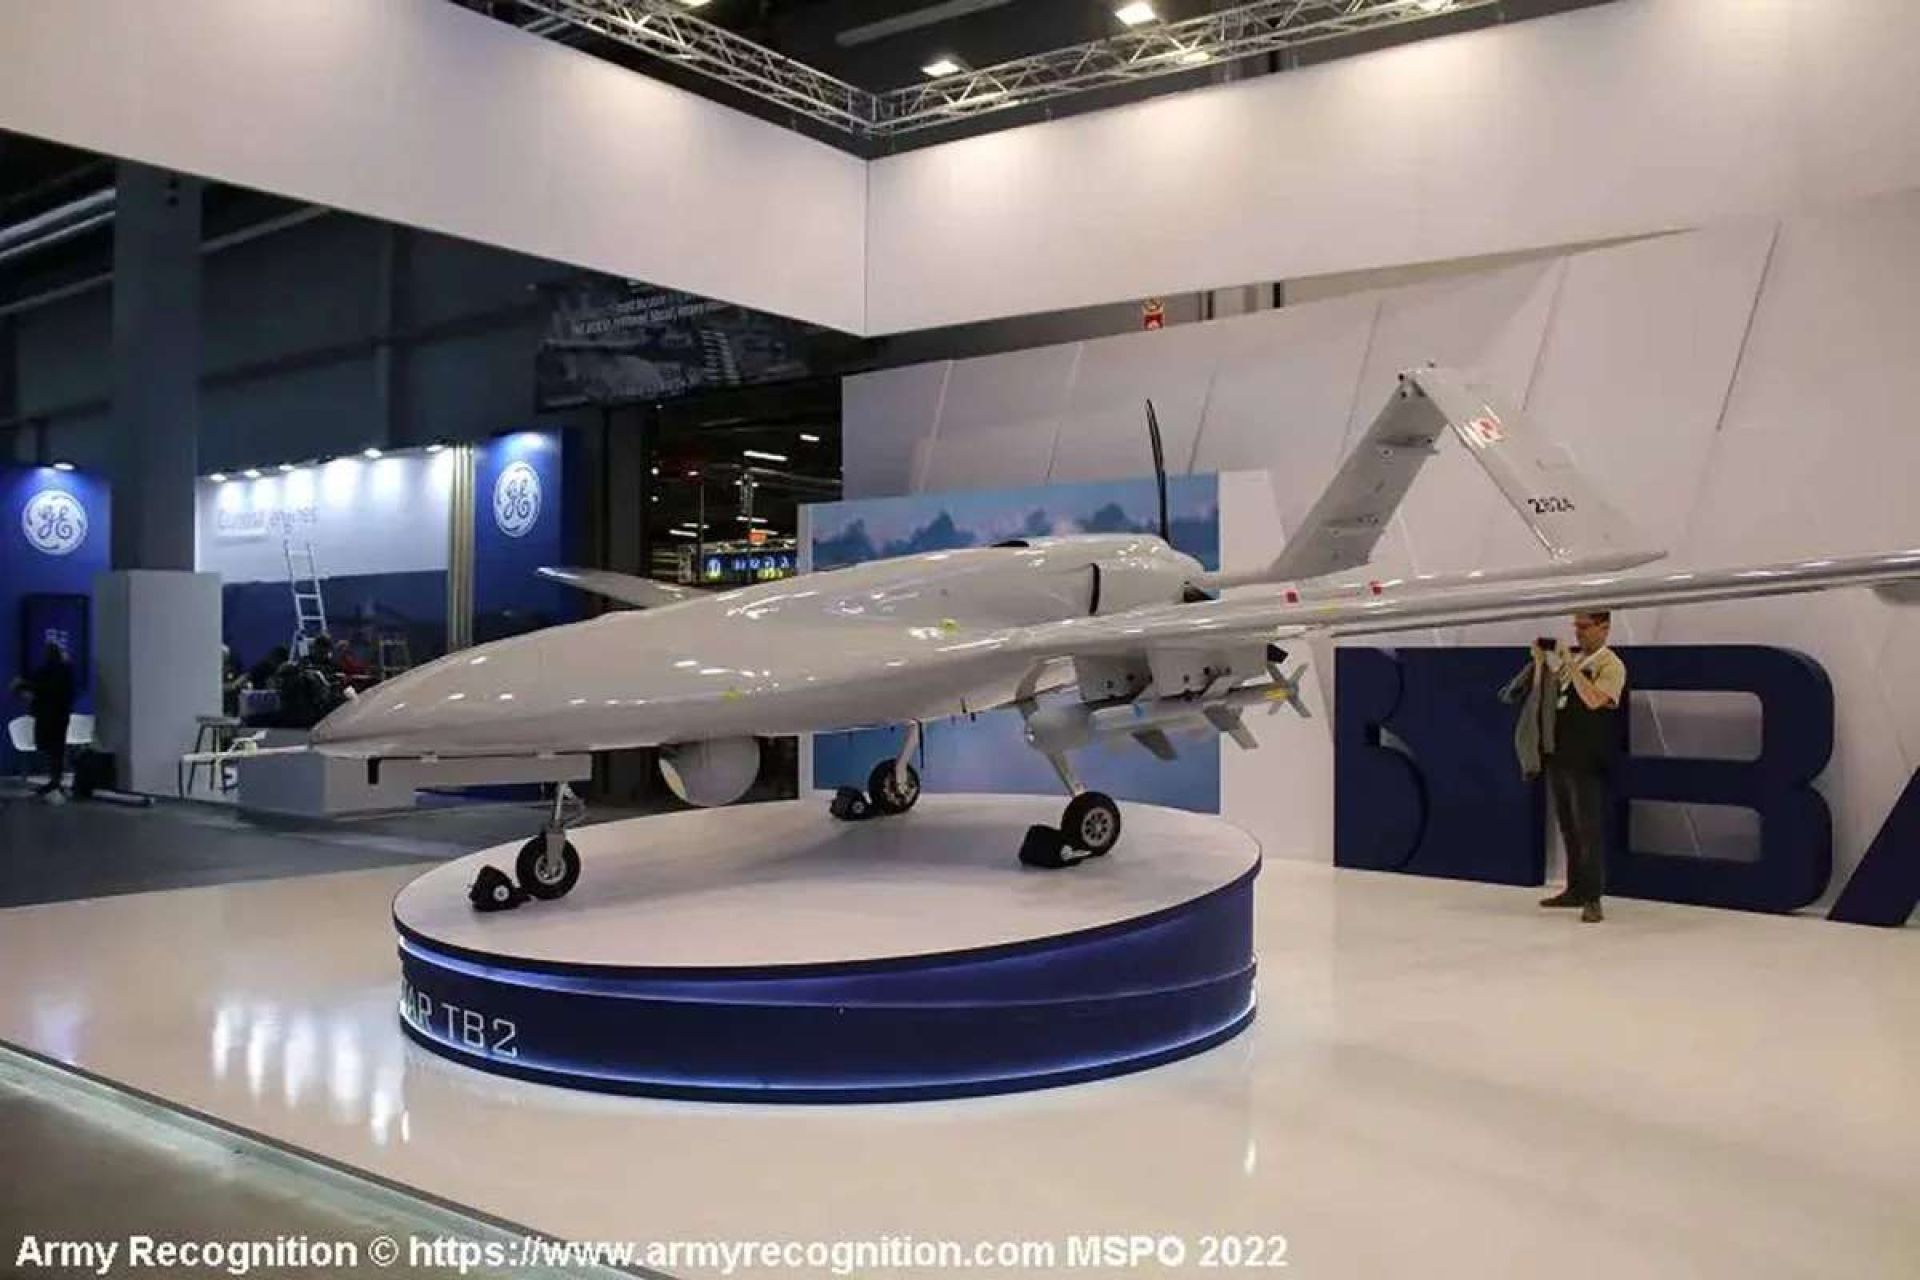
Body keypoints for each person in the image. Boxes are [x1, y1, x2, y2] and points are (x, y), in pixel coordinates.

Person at [1505, 612, 1627, 922]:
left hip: (1589, 759)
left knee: (1588, 830)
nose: (1579, 633)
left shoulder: (1610, 664)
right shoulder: (1573, 662)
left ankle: (1592, 897)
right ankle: (1575, 888)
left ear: (1604, 628)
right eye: (1576, 627)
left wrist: (1570, 665)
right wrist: (1541, 663)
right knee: (1568, 827)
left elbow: (1595, 700)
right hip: (1561, 756)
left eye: (1585, 627)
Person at [10, 642, 76, 798]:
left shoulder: (44, 672)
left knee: (50, 749)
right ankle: (55, 780)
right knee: (57, 749)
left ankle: (54, 781)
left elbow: (33, 688)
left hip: (46, 716)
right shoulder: (65, 671)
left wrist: (20, 688)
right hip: (61, 716)